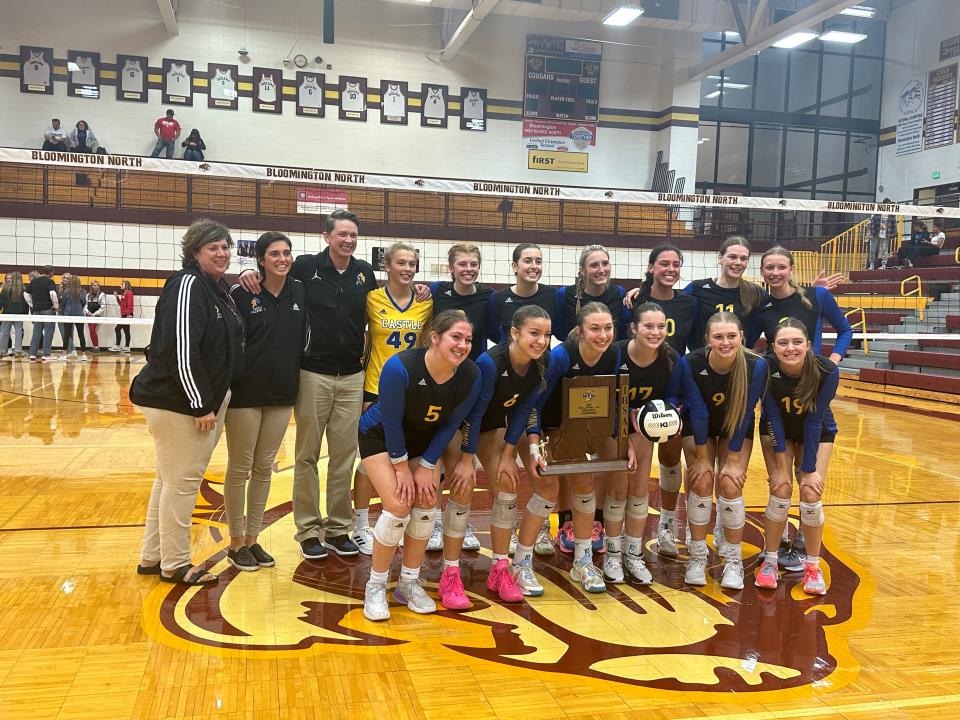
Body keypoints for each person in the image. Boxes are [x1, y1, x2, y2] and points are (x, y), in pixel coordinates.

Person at [236, 210, 429, 560]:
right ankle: (308, 530)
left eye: (353, 234)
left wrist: (418, 287)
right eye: (342, 234)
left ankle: (339, 528)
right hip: (312, 373)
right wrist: (249, 271)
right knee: (307, 456)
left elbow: (388, 300)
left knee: (343, 456)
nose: (348, 240)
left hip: (353, 376)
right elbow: (272, 276)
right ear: (327, 236)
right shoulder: (306, 267)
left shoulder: (363, 273)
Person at [131, 219, 245, 585]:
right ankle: (176, 564)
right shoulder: (189, 284)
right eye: (213, 247)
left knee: (168, 481)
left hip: (194, 400)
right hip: (179, 403)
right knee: (182, 485)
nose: (222, 253)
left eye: (226, 246)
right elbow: (183, 348)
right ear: (194, 252)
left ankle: (152, 557)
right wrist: (200, 403)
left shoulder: (217, 288)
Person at [359, 310, 481, 621]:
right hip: (380, 437)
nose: (463, 345)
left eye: (468, 340)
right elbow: (391, 422)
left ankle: (409, 583)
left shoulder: (470, 375)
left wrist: (427, 464)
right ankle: (375, 585)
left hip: (423, 443)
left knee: (427, 500)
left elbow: (451, 423)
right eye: (456, 337)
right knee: (399, 504)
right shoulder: (400, 367)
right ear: (435, 338)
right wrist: (402, 468)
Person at [444, 305, 552, 606]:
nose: (541, 340)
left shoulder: (538, 364)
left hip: (492, 426)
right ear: (514, 333)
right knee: (462, 488)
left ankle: (500, 568)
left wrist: (508, 454)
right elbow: (474, 414)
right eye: (534, 333)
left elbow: (520, 414)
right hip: (458, 425)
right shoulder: (490, 363)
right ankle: (449, 572)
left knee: (507, 486)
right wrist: (467, 459)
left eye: (546, 334)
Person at [526, 302, 628, 594]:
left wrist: (624, 441)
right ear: (580, 330)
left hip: (584, 425)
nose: (602, 335)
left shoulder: (613, 354)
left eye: (608, 328)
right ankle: (528, 553)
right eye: (595, 328)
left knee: (584, 482)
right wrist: (536, 442)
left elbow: (613, 400)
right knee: (552, 488)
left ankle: (582, 561)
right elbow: (535, 402)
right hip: (549, 425)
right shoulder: (560, 356)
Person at [224, 232, 307, 571]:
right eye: (274, 254)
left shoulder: (299, 290)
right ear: (260, 260)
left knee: (264, 468)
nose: (282, 259)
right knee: (240, 468)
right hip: (245, 393)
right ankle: (235, 541)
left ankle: (253, 539)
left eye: (286, 253)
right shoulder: (242, 292)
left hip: (283, 392)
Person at [677, 311, 767, 590]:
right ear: (707, 340)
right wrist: (704, 458)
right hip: (699, 423)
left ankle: (733, 559)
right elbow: (699, 410)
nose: (725, 342)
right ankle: (697, 555)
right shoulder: (690, 362)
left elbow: (744, 415)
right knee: (701, 479)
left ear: (742, 337)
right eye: (718, 337)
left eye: (731, 336)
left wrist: (730, 461)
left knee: (729, 483)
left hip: (734, 426)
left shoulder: (756, 365)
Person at [352, 242, 433, 555]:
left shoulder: (426, 301)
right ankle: (360, 524)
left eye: (412, 264)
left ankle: (397, 519)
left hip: (413, 389)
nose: (407, 269)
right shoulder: (371, 299)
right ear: (386, 266)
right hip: (376, 387)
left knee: (405, 455)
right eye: (401, 263)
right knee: (372, 457)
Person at [620, 244, 697, 556]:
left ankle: (667, 524)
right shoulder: (635, 301)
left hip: (669, 389)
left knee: (669, 457)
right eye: (663, 263)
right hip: (634, 390)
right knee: (625, 468)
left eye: (676, 264)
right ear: (650, 267)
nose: (671, 269)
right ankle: (614, 530)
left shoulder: (690, 303)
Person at [756, 318, 839, 596]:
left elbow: (815, 420)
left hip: (816, 432)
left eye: (796, 342)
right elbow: (773, 415)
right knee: (781, 487)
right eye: (783, 343)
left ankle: (812, 566)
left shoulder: (826, 370)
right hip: (776, 430)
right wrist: (781, 461)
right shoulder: (765, 368)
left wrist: (809, 469)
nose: (790, 348)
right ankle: (770, 562)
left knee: (811, 493)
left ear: (808, 345)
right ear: (773, 347)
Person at [612, 302, 683, 582]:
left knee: (640, 486)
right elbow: (604, 395)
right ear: (634, 328)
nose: (655, 332)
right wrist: (623, 425)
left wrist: (671, 413)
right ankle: (612, 554)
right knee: (616, 490)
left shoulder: (671, 358)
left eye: (660, 327)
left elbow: (676, 396)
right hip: (612, 426)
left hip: (643, 430)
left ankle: (633, 552)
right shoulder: (615, 353)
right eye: (648, 326)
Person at [748, 246, 852, 365]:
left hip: (811, 376)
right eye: (770, 267)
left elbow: (845, 330)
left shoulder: (818, 295)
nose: (775, 273)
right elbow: (747, 345)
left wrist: (833, 360)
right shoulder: (761, 307)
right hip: (774, 378)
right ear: (762, 271)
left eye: (782, 267)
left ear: (791, 269)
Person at [429, 243, 496, 361]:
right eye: (462, 264)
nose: (469, 269)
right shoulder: (437, 290)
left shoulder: (489, 297)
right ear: (451, 267)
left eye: (474, 264)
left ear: (479, 267)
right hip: (438, 365)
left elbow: (495, 335)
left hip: (473, 368)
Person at [557, 244, 632, 341]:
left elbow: (624, 334)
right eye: (594, 265)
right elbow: (559, 331)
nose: (601, 270)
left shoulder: (619, 293)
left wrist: (640, 291)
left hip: (610, 352)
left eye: (605, 263)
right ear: (582, 270)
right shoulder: (565, 294)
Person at [489, 243, 562, 342]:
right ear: (515, 266)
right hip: (509, 356)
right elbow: (493, 333)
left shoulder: (552, 294)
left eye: (538, 262)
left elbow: (558, 330)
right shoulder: (498, 298)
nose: (534, 266)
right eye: (528, 261)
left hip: (542, 355)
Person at [24, 265, 59, 362]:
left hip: (36, 310)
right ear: (51, 272)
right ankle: (46, 354)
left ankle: (32, 354)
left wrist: (32, 304)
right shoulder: (50, 281)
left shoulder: (34, 281)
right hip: (48, 309)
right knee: (48, 332)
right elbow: (53, 293)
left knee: (36, 332)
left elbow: (26, 294)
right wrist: (56, 306)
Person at [59, 275, 88, 361]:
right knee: (81, 334)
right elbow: (83, 303)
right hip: (79, 315)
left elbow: (63, 303)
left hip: (68, 315)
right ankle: (83, 355)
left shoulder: (66, 292)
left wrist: (64, 311)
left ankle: (64, 355)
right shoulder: (83, 292)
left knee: (67, 335)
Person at [0, 272, 29, 358]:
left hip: (7, 313)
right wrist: (25, 313)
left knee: (4, 332)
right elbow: (25, 303)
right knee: (18, 331)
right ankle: (18, 351)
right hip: (19, 314)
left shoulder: (5, 288)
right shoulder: (23, 289)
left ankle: (2, 351)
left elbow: (1, 301)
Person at [110, 281, 134, 352]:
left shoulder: (129, 292)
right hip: (124, 314)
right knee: (126, 331)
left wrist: (129, 314)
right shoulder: (124, 293)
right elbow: (121, 304)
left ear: (126, 285)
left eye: (122, 284)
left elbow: (130, 303)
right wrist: (117, 297)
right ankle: (127, 347)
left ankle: (118, 346)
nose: (120, 285)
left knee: (117, 328)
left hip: (127, 315)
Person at [84, 280, 106, 352]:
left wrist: (95, 314)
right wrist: (88, 312)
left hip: (96, 316)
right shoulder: (87, 295)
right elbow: (85, 305)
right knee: (91, 330)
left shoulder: (101, 294)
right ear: (91, 286)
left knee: (92, 329)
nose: (96, 287)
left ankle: (96, 347)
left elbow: (103, 306)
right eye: (94, 285)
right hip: (89, 315)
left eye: (97, 285)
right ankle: (94, 346)